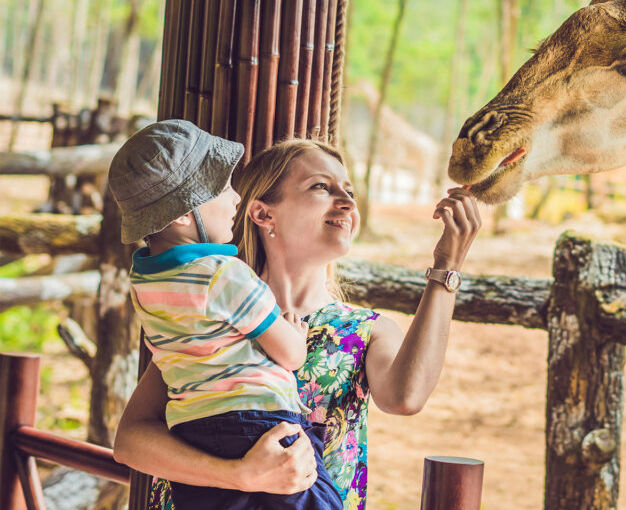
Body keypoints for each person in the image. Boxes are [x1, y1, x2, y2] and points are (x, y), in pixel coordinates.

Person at [113, 136, 482, 509]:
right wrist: (239, 474)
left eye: (349, 190)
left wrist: (447, 267)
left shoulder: (365, 330)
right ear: (263, 214)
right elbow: (131, 441)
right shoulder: (208, 315)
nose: (348, 202)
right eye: (321, 186)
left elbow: (405, 398)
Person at [108, 120, 344, 509]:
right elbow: (292, 355)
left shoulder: (145, 283)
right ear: (184, 215)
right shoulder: (223, 274)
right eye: (221, 187)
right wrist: (296, 336)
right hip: (258, 425)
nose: (235, 196)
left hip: (193, 432)